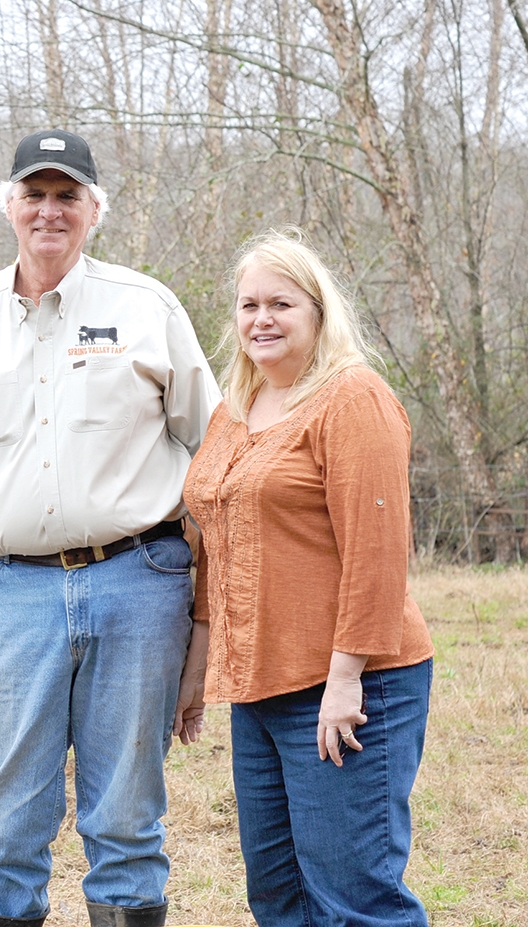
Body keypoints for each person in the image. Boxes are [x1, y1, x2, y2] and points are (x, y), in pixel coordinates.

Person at [0, 128, 221, 927]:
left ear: (95, 210)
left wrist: (210, 619)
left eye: (67, 195)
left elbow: (217, 457)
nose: (49, 211)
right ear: (8, 206)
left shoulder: (148, 309)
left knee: (127, 825)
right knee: (5, 828)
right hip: (13, 592)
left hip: (139, 581)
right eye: (34, 195)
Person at [182, 227, 435, 926]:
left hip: (347, 684)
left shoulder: (351, 398)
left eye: (281, 304)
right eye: (248, 305)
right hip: (259, 685)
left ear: (318, 313)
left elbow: (378, 550)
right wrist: (199, 674)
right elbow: (217, 545)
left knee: (355, 898)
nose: (261, 319)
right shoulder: (236, 409)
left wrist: (346, 677)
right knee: (279, 894)